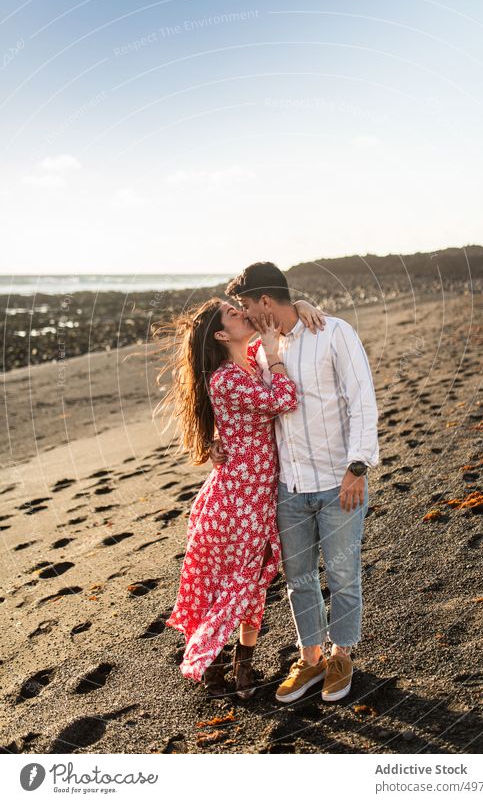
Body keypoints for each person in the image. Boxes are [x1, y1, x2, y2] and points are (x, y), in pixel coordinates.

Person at [211, 262, 379, 703]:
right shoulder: (260, 351)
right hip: (288, 488)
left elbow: (362, 400)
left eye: (247, 305)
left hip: (338, 481)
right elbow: (242, 401)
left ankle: (342, 656)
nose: (244, 314)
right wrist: (218, 439)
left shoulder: (332, 332)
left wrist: (358, 466)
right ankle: (311, 658)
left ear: (265, 301)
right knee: (299, 579)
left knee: (343, 575)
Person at [152, 296, 324, 698]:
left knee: (256, 580)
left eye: (237, 307)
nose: (241, 313)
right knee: (237, 581)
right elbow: (284, 400)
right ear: (220, 334)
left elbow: (275, 311)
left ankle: (242, 665)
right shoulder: (226, 378)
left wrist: (299, 302)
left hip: (260, 495)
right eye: (232, 313)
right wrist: (276, 360)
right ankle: (212, 667)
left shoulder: (249, 356)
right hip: (236, 500)